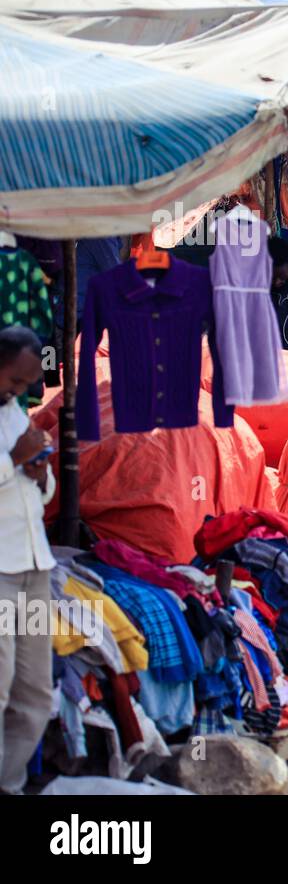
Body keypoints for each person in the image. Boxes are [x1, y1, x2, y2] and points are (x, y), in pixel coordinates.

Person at [0, 327, 55, 795]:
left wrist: (41, 475)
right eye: (15, 381)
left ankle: (10, 783)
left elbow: (41, 487)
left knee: (35, 689)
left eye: (26, 385)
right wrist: (14, 459)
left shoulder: (16, 413)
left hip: (35, 567)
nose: (20, 391)